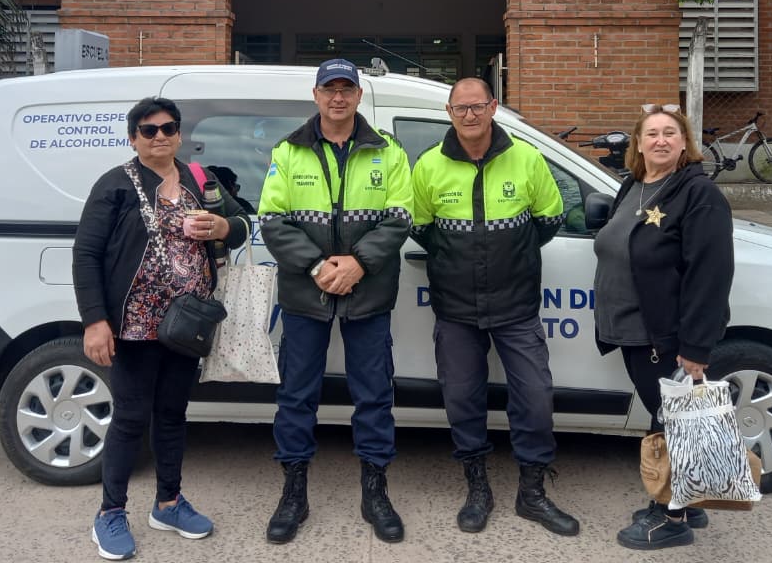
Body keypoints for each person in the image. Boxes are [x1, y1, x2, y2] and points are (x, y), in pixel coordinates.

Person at [73, 97, 251, 561]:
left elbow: (242, 225)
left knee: (172, 415)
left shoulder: (200, 179)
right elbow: (86, 255)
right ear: (133, 138)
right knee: (131, 418)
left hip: (186, 324)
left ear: (179, 133)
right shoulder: (114, 184)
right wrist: (95, 320)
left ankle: (168, 503)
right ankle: (110, 513)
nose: (160, 136)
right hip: (133, 324)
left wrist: (220, 227)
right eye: (148, 130)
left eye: (168, 128)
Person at [409, 77, 579, 537]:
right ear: (449, 112)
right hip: (456, 308)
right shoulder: (428, 165)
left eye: (477, 106)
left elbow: (549, 218)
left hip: (516, 305)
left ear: (493, 107)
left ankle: (532, 493)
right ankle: (477, 487)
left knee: (536, 398)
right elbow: (421, 227)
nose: (469, 115)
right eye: (460, 108)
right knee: (462, 400)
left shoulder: (526, 158)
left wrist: (513, 257)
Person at [258, 58, 414, 544]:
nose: (338, 97)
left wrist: (356, 264)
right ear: (316, 94)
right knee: (296, 397)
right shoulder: (288, 151)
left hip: (367, 294)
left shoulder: (387, 151)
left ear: (359, 96)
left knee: (374, 396)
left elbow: (401, 216)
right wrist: (318, 267)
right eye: (330, 89)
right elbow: (271, 219)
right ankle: (293, 493)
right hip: (306, 294)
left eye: (347, 89)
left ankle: (375, 490)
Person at [590, 103, 734, 551]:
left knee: (670, 420)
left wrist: (695, 346)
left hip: (664, 334)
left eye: (670, 133)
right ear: (638, 144)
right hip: (631, 328)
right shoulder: (634, 185)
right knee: (673, 415)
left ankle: (669, 518)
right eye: (650, 133)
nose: (660, 140)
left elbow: (710, 275)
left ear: (685, 142)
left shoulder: (698, 194)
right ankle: (688, 504)